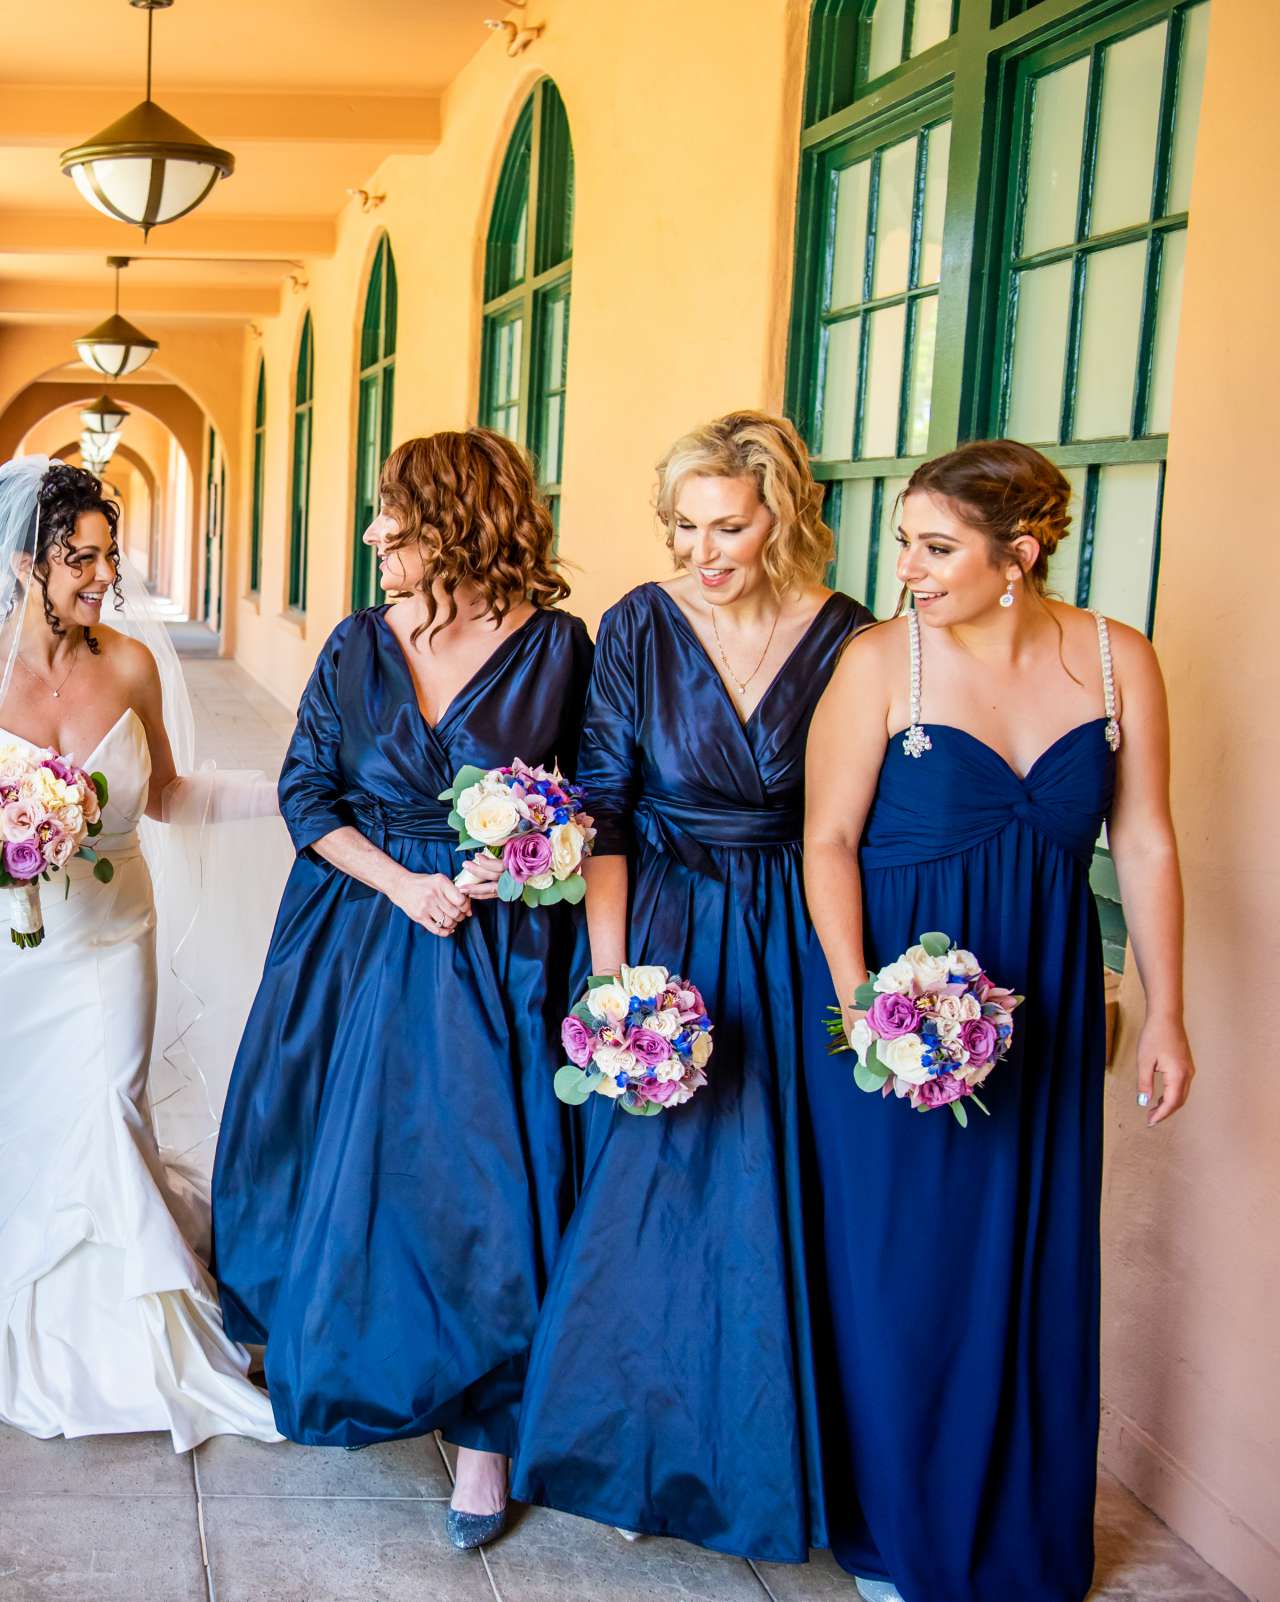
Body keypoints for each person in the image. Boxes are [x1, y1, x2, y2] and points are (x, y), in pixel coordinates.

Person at [801, 439, 1194, 1602]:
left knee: (1030, 1263)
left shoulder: (1120, 662)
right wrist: (862, 997)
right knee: (905, 1269)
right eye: (906, 543)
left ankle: (1020, 1539)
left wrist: (1166, 1009)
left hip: (1053, 999)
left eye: (936, 547)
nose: (908, 567)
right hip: (899, 1004)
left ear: (1018, 556)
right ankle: (901, 1531)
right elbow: (825, 843)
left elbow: (1151, 842)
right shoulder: (882, 663)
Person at [0, 458, 282, 1451]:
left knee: (108, 1107)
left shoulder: (128, 664)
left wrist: (283, 791)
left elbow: (165, 794)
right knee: (20, 1119)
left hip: (115, 931)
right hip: (11, 948)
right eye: (77, 557)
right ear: (24, 560)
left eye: (107, 554)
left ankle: (131, 1331)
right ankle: (7, 1306)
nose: (98, 573)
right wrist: (4, 849)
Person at [214, 427, 589, 1548]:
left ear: (458, 523)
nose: (373, 534)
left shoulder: (562, 649)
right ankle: (326, 1339)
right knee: (320, 1152)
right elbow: (306, 793)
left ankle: (487, 1437)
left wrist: (525, 853)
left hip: (501, 949)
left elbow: (597, 802)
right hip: (354, 930)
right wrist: (409, 883)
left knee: (484, 1186)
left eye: (395, 516)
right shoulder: (355, 644)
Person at [510, 411, 869, 1558]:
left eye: (728, 525)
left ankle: (769, 1465)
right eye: (683, 526)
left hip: (800, 931)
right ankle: (640, 1455)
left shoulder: (851, 635)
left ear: (783, 515)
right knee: (653, 1197)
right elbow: (604, 807)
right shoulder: (639, 626)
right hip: (664, 918)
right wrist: (614, 981)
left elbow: (860, 820)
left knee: (783, 1197)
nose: (703, 549)